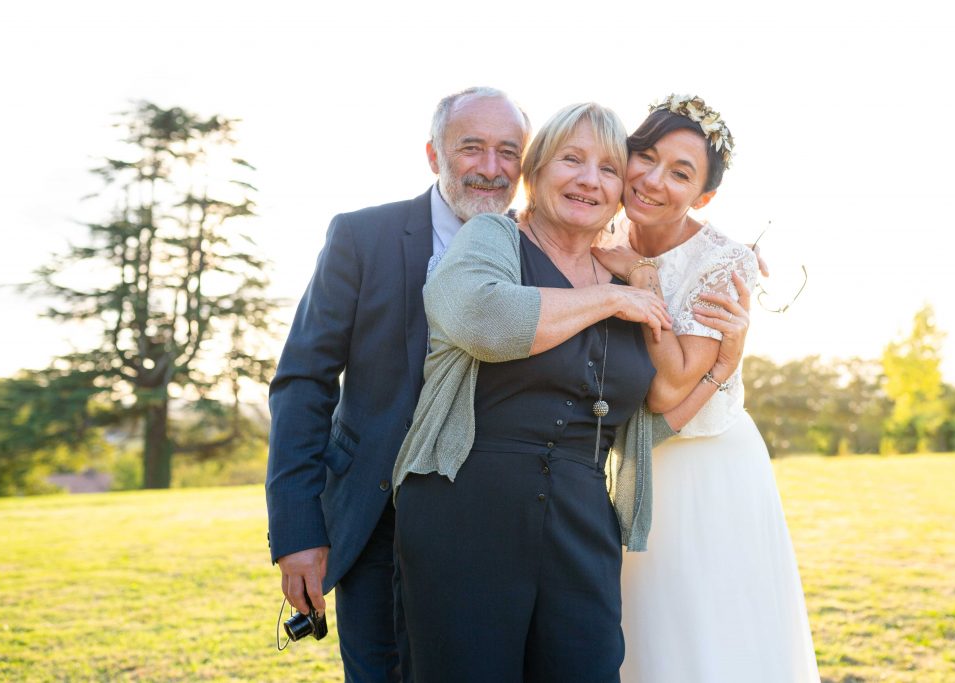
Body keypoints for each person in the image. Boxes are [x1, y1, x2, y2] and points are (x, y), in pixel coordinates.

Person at [391, 102, 750, 682]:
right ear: (535, 170)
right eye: (571, 160)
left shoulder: (626, 277)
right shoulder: (493, 237)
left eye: (608, 168)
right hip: (465, 507)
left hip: (582, 522)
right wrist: (611, 299)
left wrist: (721, 367)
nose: (590, 179)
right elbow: (484, 320)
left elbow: (645, 422)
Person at [265, 86, 530, 682]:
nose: (491, 168)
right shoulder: (362, 237)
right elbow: (303, 382)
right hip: (378, 519)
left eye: (509, 151)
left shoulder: (540, 248)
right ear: (434, 155)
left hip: (501, 527)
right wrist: (297, 530)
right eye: (472, 148)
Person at [593, 94, 821, 682]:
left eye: (680, 173)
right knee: (639, 636)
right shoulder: (601, 228)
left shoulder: (724, 263)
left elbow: (669, 390)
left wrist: (641, 276)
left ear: (704, 197)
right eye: (646, 157)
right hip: (627, 462)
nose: (652, 180)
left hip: (705, 468)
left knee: (704, 636)